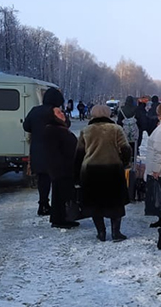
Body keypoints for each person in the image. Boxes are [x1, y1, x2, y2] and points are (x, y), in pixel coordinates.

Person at [75, 105, 131, 242]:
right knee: (116, 203)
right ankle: (116, 233)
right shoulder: (116, 129)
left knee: (95, 203)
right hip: (113, 170)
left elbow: (79, 154)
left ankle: (101, 232)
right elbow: (126, 149)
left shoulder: (86, 131)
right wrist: (123, 163)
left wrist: (76, 174)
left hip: (91, 172)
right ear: (108, 114)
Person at [23, 87, 68, 216]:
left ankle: (43, 204)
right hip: (55, 150)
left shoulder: (35, 111)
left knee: (43, 179)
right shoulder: (56, 112)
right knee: (57, 179)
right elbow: (66, 125)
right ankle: (58, 207)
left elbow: (26, 126)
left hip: (38, 150)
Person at [44, 107, 80, 229]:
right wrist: (59, 167)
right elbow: (53, 152)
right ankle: (59, 219)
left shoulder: (60, 128)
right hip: (61, 167)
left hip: (67, 166)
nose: (62, 114)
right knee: (60, 194)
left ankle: (64, 217)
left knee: (64, 193)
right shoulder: (52, 130)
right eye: (58, 112)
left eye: (62, 111)